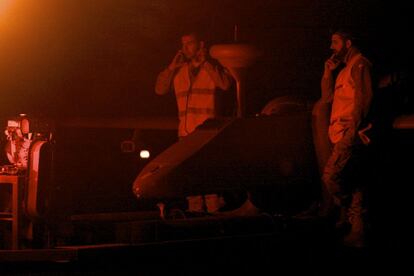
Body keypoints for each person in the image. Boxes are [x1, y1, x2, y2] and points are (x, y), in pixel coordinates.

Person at [155, 31, 234, 214]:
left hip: (208, 134)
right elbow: (159, 89)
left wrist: (206, 63)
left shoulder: (212, 68)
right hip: (186, 135)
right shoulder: (179, 71)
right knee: (191, 181)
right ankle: (196, 217)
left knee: (210, 181)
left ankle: (215, 217)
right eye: (183, 44)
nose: (184, 48)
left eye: (189, 43)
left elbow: (225, 84)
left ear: (200, 44)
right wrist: (171, 67)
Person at [319, 29, 374, 247]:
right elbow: (326, 99)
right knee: (356, 183)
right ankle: (358, 230)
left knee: (331, 177)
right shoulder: (344, 71)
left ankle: (349, 215)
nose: (331, 47)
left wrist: (352, 132)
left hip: (350, 135)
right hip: (339, 135)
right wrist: (327, 73)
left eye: (335, 42)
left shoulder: (360, 65)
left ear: (348, 43)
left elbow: (364, 99)